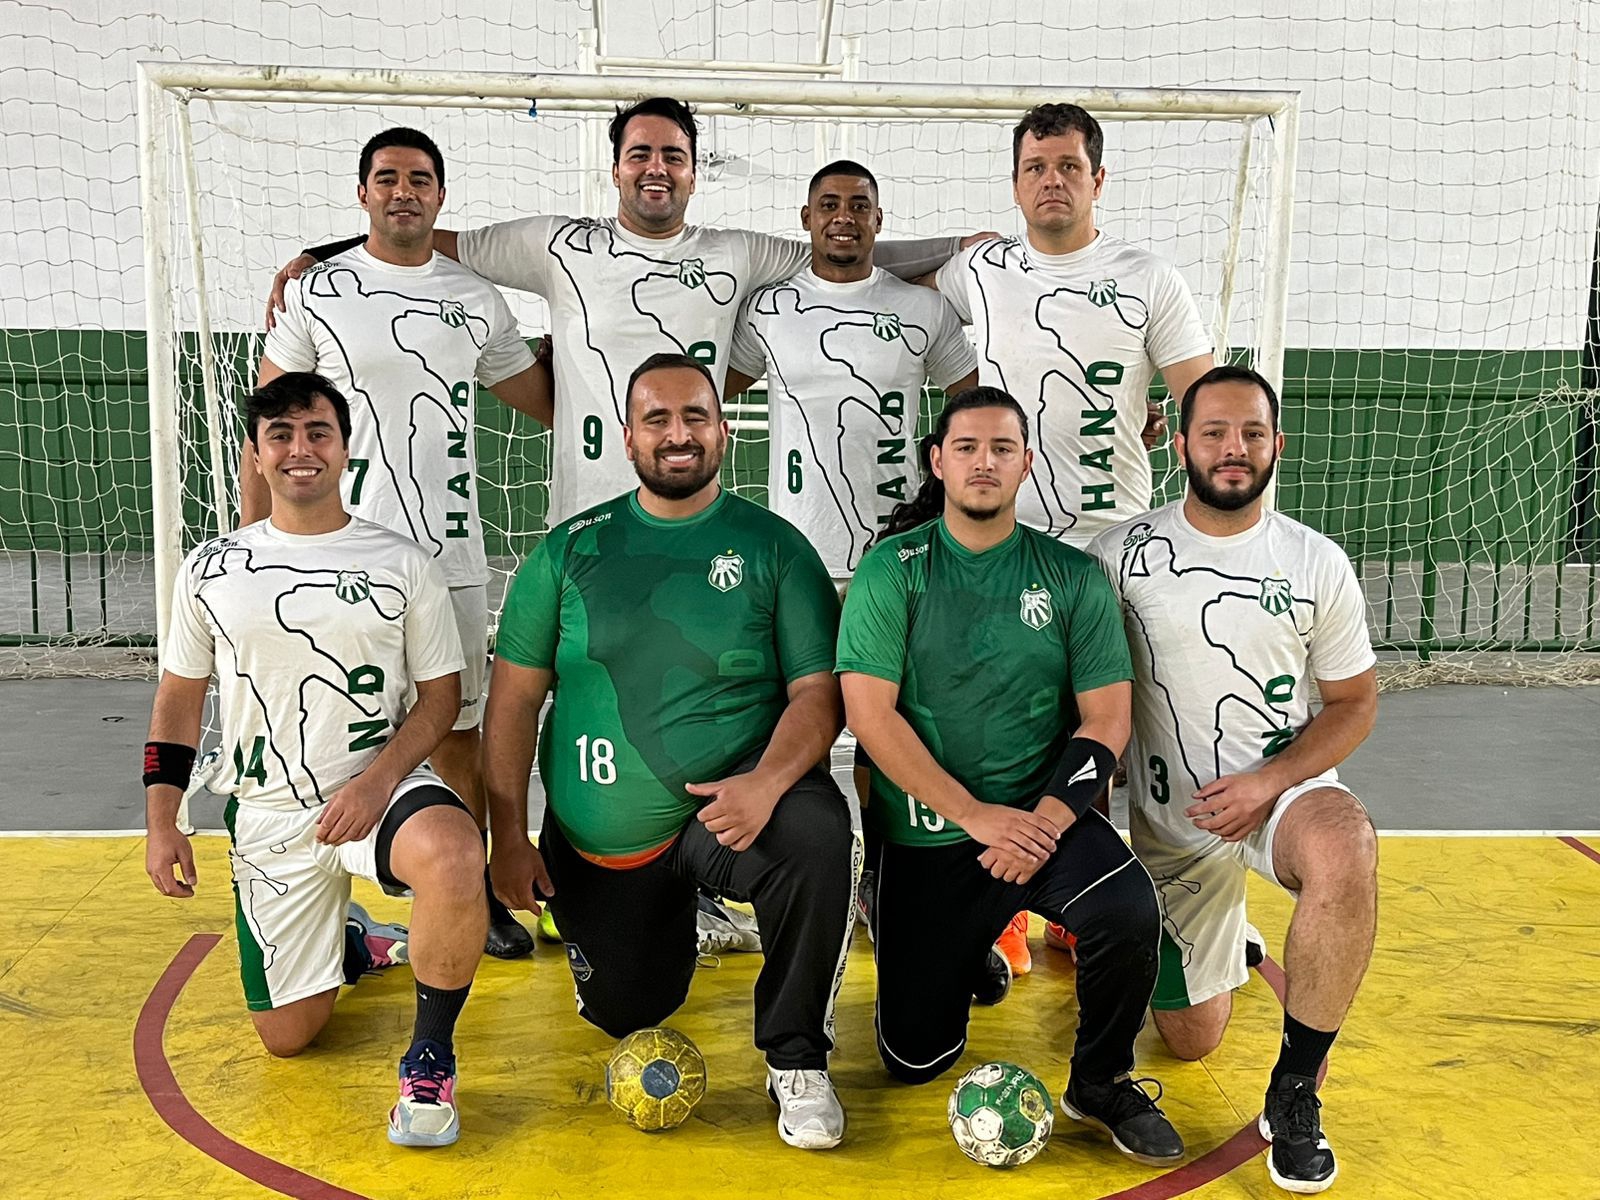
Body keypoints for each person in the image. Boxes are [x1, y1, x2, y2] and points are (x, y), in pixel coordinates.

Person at [272, 98, 980, 528]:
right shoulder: (556, 244)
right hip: (585, 513)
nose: (655, 167)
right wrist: (320, 252)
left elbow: (845, 251)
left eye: (672, 155)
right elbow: (423, 236)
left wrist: (957, 246)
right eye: (640, 153)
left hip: (690, 503)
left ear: (694, 174)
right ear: (614, 169)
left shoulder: (736, 253)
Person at [482, 353, 859, 1150]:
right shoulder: (568, 551)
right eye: (657, 419)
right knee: (625, 1013)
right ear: (627, 438)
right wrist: (507, 837)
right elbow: (512, 702)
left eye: (695, 416)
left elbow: (817, 695)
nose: (678, 434)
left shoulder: (775, 549)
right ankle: (680, 918)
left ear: (724, 431)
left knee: (818, 836)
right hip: (606, 846)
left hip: (732, 814)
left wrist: (765, 783)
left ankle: (797, 1059)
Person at [837, 385, 1184, 1168]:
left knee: (1128, 907)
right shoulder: (894, 570)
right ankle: (965, 950)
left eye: (1001, 448)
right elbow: (871, 716)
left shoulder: (1070, 577)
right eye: (966, 448)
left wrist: (1045, 823)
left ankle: (1101, 1079)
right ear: (938, 461)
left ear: (1026, 464)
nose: (984, 462)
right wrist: (974, 816)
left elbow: (1106, 721)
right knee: (913, 1060)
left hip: (1041, 822)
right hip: (932, 836)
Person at [144, 372, 487, 1147]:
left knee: (455, 853)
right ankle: (351, 945)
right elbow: (177, 701)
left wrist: (377, 780)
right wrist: (163, 819)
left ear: (344, 447)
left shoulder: (401, 563)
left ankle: (430, 1056)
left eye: (318, 433)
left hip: (378, 788)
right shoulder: (211, 568)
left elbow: (441, 700)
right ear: (257, 456)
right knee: (290, 1036)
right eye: (282, 436)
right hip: (270, 813)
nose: (301, 450)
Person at [926, 101, 1217, 974]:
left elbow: (1201, 390)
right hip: (1002, 540)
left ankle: (1095, 896)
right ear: (1015, 183)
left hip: (1111, 539)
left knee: (1110, 730)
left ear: (1098, 179)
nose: (1051, 180)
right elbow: (897, 267)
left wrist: (1167, 411)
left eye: (1067, 166)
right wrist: (945, 240)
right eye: (1034, 167)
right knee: (1001, 721)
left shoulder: (1146, 274)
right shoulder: (980, 268)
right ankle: (1004, 908)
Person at [251, 126, 551, 960]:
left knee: (456, 724)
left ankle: (471, 886)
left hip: (449, 551)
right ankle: (319, 895)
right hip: (336, 548)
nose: (403, 191)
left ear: (441, 196)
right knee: (327, 724)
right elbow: (269, 421)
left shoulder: (475, 297)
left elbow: (544, 397)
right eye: (387, 178)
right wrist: (255, 541)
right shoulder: (320, 290)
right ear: (363, 194)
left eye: (420, 178)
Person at [1090, 364, 1379, 1194]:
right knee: (1190, 1040)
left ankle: (1293, 1092)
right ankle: (1220, 932)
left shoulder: (1314, 561)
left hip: (1275, 794)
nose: (1233, 448)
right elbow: (1096, 701)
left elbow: (1354, 703)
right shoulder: (1121, 555)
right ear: (1180, 444)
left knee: (1344, 844)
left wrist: (1269, 782)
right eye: (1214, 431)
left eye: (1252, 433)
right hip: (1173, 823)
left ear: (1276, 446)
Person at [724, 158, 978, 577]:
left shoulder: (924, 308)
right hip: (798, 550)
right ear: (807, 217)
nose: (844, 216)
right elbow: (709, 391)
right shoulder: (767, 309)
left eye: (860, 206)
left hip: (897, 545)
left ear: (878, 219)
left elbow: (977, 405)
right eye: (829, 205)